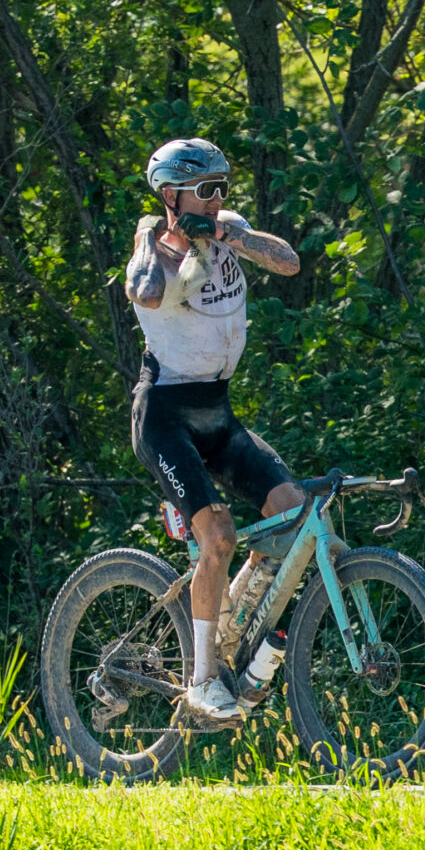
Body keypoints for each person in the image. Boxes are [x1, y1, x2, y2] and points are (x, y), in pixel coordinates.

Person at [124, 137, 305, 723]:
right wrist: (162, 239)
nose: (216, 197)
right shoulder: (152, 249)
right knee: (219, 535)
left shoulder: (229, 228)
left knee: (293, 513)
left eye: (222, 187)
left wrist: (228, 233)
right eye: (205, 190)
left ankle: (228, 616)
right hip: (165, 417)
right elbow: (145, 291)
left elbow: (289, 262)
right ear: (171, 195)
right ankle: (201, 681)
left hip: (218, 414)